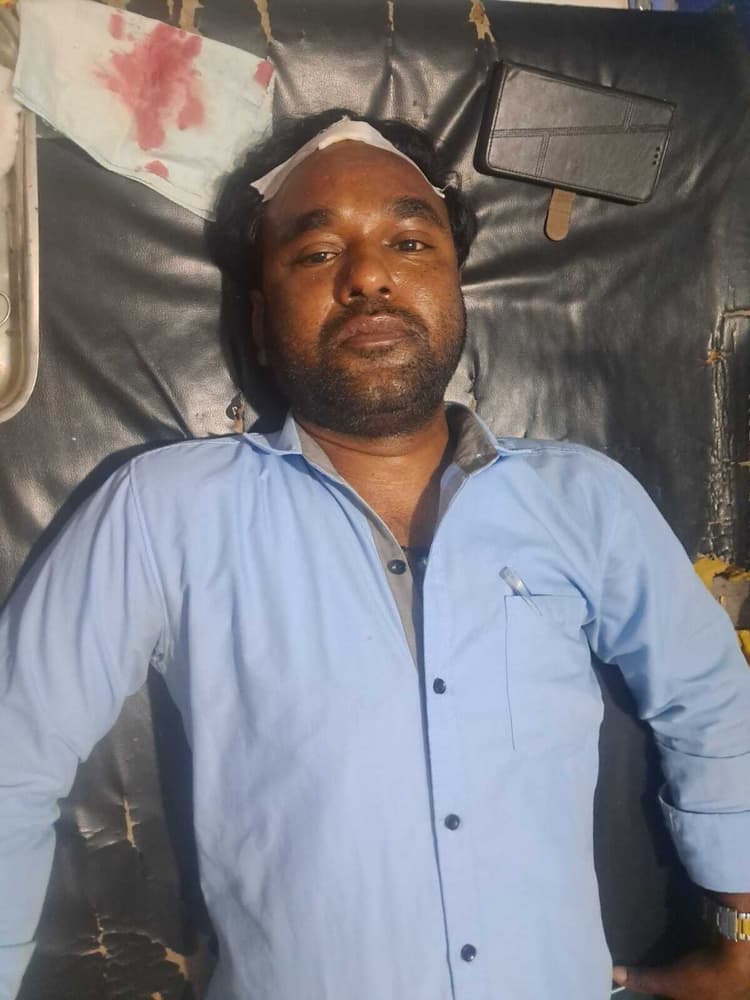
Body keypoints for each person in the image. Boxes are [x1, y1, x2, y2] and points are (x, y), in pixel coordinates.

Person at [1, 109, 749, 1000]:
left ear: (456, 286)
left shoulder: (585, 500)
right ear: (259, 319)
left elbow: (712, 700)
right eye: (318, 253)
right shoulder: (162, 511)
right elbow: (11, 756)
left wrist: (739, 933)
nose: (368, 277)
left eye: (409, 241)